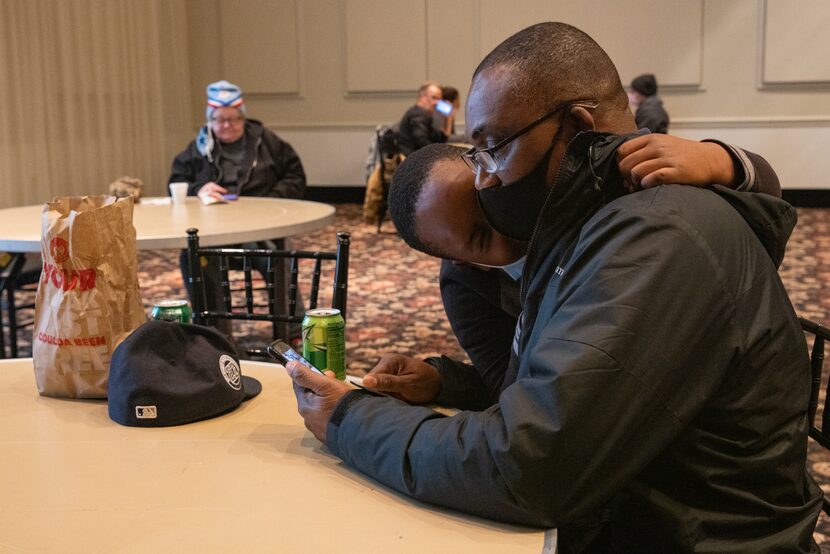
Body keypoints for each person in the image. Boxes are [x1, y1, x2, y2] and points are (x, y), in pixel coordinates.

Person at [284, 22, 821, 551]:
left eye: (494, 147)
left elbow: (530, 467)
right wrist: (447, 384)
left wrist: (351, 420)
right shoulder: (583, 228)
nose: (486, 179)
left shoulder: (654, 236)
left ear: (577, 125)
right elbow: (540, 392)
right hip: (633, 509)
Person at [438, 132, 784, 399]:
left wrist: (719, 158)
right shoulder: (466, 285)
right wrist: (446, 380)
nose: (503, 224)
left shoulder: (572, 204)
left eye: (493, 201)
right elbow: (512, 391)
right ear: (464, 262)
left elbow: (765, 213)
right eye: (482, 238)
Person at [169, 80, 307, 339]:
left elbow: (296, 176)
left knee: (278, 257)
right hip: (213, 232)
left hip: (259, 231)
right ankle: (212, 331)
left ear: (243, 118)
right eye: (219, 120)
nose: (226, 125)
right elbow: (176, 182)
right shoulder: (198, 147)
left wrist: (271, 202)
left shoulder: (266, 141)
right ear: (210, 122)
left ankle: (291, 327)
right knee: (191, 258)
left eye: (233, 119)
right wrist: (199, 188)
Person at [396, 80, 449, 155]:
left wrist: (446, 119)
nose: (437, 103)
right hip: (415, 162)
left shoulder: (424, 115)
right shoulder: (417, 115)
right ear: (422, 97)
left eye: (439, 100)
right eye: (434, 98)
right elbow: (422, 143)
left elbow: (439, 139)